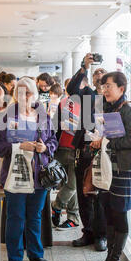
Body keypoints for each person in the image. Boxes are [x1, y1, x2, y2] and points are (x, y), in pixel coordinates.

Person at [0, 77, 58, 261]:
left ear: (34, 94)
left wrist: (45, 147)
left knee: (35, 216)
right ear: (15, 95)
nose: (24, 96)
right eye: (20, 92)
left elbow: (54, 141)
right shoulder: (6, 116)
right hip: (16, 173)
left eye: (28, 92)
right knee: (15, 216)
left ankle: (36, 253)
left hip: (39, 175)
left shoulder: (43, 116)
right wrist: (19, 145)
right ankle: (15, 256)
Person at [91, 71, 131, 261]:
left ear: (121, 88)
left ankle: (114, 260)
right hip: (108, 169)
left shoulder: (129, 110)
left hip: (123, 170)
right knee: (109, 213)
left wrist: (106, 142)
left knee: (119, 215)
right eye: (103, 87)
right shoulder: (107, 109)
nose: (105, 90)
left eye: (108, 86)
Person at [66, 53, 108, 251]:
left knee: (99, 195)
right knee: (84, 193)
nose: (99, 74)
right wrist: (85, 66)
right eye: (96, 72)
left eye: (103, 72)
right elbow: (71, 88)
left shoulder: (111, 100)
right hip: (84, 149)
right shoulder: (86, 94)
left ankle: (101, 235)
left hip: (104, 153)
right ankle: (88, 231)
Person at [51, 80, 80, 230]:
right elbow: (54, 125)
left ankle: (57, 205)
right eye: (69, 89)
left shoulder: (87, 104)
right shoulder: (63, 103)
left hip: (77, 151)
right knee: (65, 184)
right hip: (62, 148)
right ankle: (73, 216)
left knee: (72, 185)